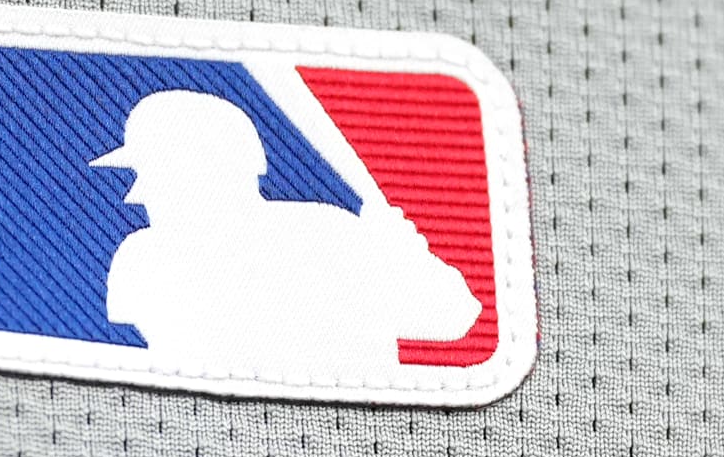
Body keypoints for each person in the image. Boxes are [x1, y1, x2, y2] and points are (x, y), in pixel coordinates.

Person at [93, 90, 479, 378]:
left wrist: (404, 260)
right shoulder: (144, 257)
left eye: (153, 176)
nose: (138, 196)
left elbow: (453, 319)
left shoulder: (331, 237)